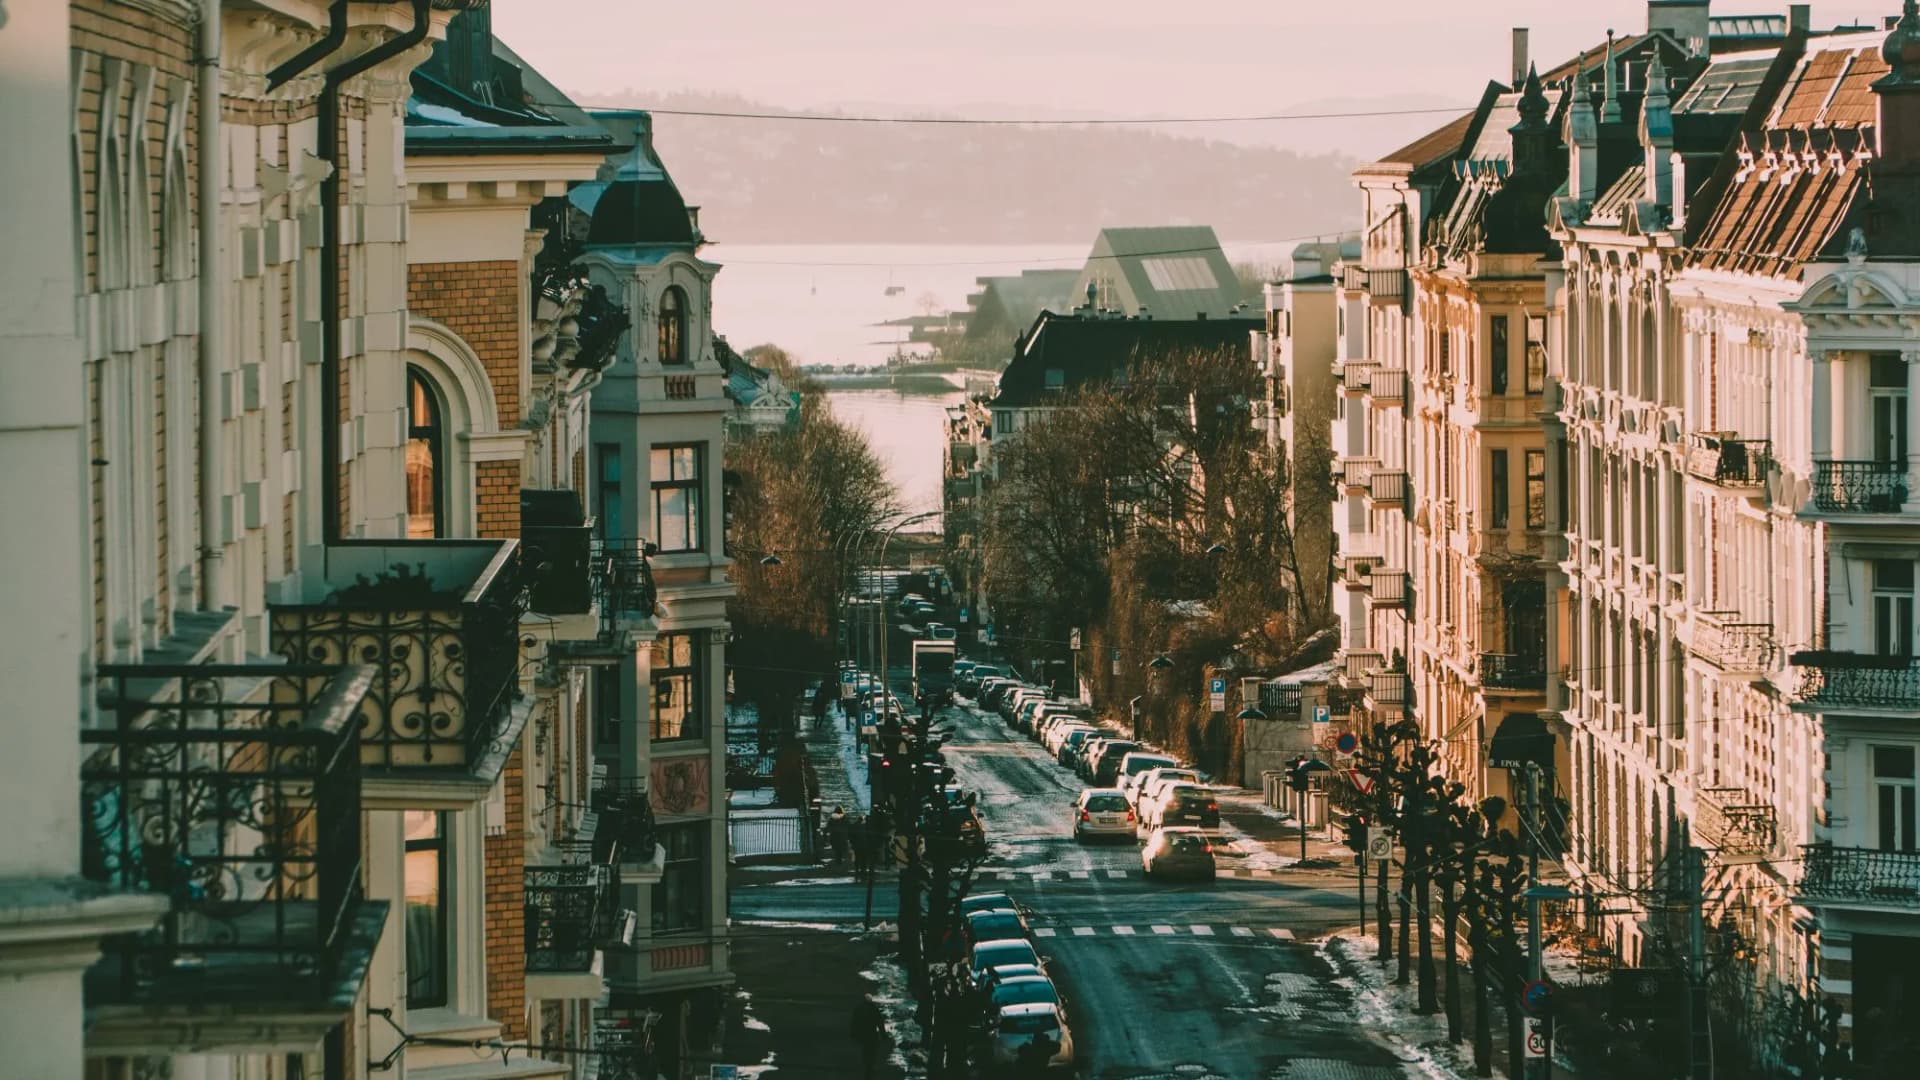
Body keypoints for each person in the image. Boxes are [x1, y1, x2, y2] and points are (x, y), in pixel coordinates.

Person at [849, 997, 886, 1080]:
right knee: (872, 1050)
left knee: (866, 1049)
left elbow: (854, 1022)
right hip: (872, 1033)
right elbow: (880, 1022)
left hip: (863, 1033)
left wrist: (853, 1033)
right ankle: (870, 1066)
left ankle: (867, 1065)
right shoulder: (874, 1009)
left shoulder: (859, 1009)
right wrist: (883, 1034)